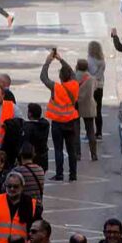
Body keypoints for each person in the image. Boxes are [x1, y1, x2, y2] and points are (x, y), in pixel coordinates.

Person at [41, 51, 81, 181]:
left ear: (60, 77)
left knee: (58, 149)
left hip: (58, 123)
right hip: (71, 121)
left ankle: (59, 174)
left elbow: (43, 77)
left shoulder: (56, 88)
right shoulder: (75, 84)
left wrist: (48, 61)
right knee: (71, 150)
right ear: (70, 75)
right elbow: (72, 72)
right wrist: (61, 59)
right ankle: (73, 175)